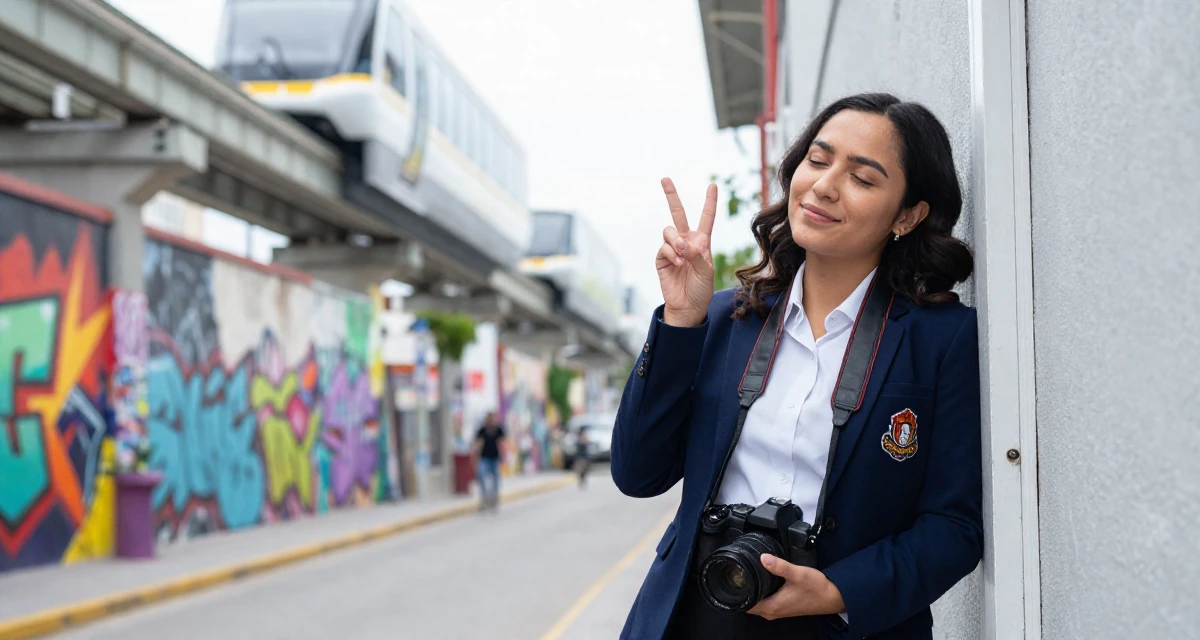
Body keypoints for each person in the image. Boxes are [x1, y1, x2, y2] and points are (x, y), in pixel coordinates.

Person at [612, 93, 982, 640]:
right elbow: (638, 474)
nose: (825, 186)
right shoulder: (721, 319)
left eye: (862, 178)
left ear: (907, 215)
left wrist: (838, 591)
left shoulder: (941, 339)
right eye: (817, 159)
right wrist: (679, 322)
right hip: (696, 614)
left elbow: (954, 526)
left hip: (841, 625)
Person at [471, 412, 507, 512]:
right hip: (484, 458)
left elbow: (502, 443)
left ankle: (494, 499)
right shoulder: (482, 430)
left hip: (495, 458)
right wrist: (474, 455)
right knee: (482, 476)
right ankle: (484, 498)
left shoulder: (497, 430)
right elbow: (477, 443)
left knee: (495, 480)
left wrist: (503, 456)